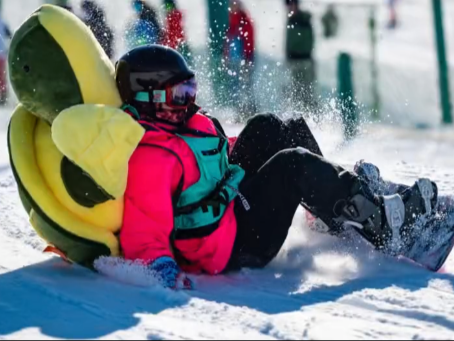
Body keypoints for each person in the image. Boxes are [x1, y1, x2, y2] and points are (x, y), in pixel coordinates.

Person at [116, 45, 439, 290]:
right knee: (291, 164)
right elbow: (143, 228)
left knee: (267, 126)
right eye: (178, 95)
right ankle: (386, 228)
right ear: (147, 99)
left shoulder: (177, 125)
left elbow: (210, 155)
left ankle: (337, 209)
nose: (189, 102)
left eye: (191, 90)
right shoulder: (151, 158)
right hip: (232, 244)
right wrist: (162, 273)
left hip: (224, 204)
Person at [224, 0, 256, 119]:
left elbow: (249, 41)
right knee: (235, 86)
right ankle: (238, 111)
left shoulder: (244, 21)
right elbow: (228, 41)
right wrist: (226, 56)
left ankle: (248, 110)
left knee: (246, 86)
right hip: (234, 60)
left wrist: (248, 57)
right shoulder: (232, 21)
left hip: (244, 58)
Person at [284, 0, 316, 112]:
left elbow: (307, 40)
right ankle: (300, 112)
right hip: (294, 60)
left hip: (304, 59)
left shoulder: (302, 20)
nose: (289, 8)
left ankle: (311, 112)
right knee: (296, 89)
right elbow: (289, 40)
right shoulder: (290, 20)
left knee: (307, 89)